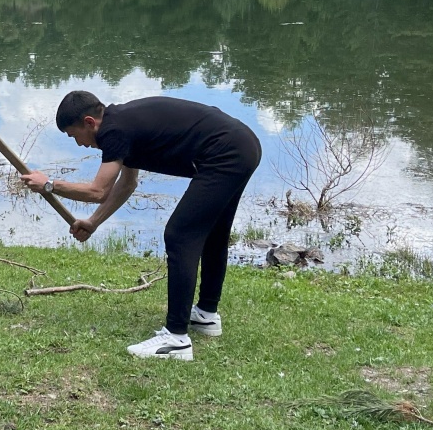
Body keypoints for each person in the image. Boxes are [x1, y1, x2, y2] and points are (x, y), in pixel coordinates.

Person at [21, 90, 261, 361]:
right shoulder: (120, 124)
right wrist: (93, 222)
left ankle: (176, 339)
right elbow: (127, 183)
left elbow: (97, 191)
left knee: (180, 235)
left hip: (226, 152)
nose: (78, 144)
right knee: (213, 234)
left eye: (74, 135)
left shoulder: (113, 130)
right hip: (242, 145)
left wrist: (49, 185)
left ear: (89, 122)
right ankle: (206, 315)